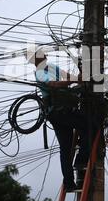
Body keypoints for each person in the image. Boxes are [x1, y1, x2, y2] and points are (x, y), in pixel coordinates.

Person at [27, 47, 90, 192]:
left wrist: (78, 77)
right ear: (35, 60)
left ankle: (69, 183)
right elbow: (53, 85)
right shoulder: (40, 73)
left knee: (66, 148)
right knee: (88, 125)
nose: (44, 56)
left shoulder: (52, 67)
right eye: (40, 55)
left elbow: (66, 76)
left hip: (63, 110)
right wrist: (75, 80)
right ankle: (80, 161)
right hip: (58, 112)